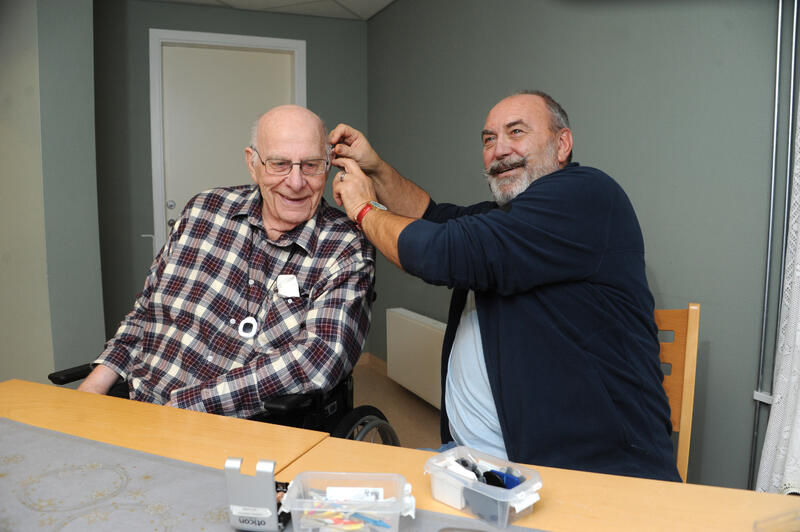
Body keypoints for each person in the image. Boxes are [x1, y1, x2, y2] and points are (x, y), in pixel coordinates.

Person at [329, 90, 681, 481]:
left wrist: (364, 208)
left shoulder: (586, 195)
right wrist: (375, 168)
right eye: (488, 139)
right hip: (476, 466)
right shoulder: (513, 219)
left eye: (516, 132)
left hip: (582, 475)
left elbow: (444, 251)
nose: (499, 150)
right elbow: (430, 216)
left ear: (562, 143)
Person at [78, 105, 376, 418]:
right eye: (279, 164)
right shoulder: (203, 210)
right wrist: (94, 387)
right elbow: (146, 311)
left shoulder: (346, 246)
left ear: (328, 166)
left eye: (311, 165)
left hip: (232, 427)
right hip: (139, 401)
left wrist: (179, 410)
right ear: (253, 163)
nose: (296, 182)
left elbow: (316, 360)